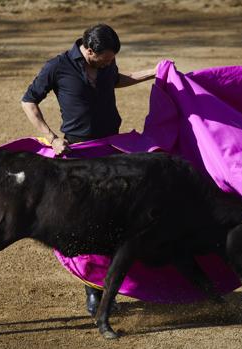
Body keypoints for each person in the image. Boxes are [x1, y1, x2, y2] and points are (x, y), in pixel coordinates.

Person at [21, 23, 157, 315]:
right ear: (89, 50)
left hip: (111, 150)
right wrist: (52, 137)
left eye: (112, 59)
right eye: (105, 59)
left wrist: (151, 73)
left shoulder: (106, 62)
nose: (109, 63)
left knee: (118, 218)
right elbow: (29, 101)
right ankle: (94, 292)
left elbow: (115, 79)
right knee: (88, 224)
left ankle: (115, 284)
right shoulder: (57, 67)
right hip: (79, 155)